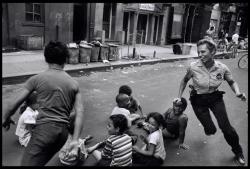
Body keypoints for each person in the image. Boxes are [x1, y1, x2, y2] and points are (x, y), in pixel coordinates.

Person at [2, 41, 85, 166]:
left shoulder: (36, 79)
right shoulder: (74, 84)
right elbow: (80, 113)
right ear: (66, 59)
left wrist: (6, 117)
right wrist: (74, 140)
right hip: (62, 134)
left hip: (45, 131)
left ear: (45, 58)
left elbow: (12, 104)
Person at [176, 38, 247, 165]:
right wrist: (178, 96)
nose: (199, 54)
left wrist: (237, 92)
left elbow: (232, 82)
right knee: (211, 129)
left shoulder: (222, 68)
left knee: (227, 129)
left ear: (213, 51)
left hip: (215, 98)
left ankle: (238, 152)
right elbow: (184, 81)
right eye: (198, 52)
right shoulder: (193, 67)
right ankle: (208, 128)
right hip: (198, 100)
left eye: (203, 52)